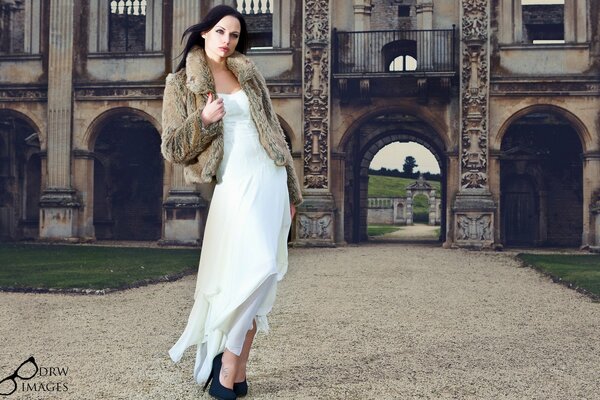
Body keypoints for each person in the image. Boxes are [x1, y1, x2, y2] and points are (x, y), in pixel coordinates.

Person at [161, 5, 303, 400]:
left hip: (270, 179)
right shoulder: (179, 83)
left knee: (264, 275)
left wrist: (292, 193)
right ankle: (225, 364)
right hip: (236, 183)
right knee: (256, 271)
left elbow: (275, 135)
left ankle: (236, 373)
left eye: (235, 35)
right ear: (205, 32)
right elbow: (172, 148)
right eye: (221, 32)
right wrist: (203, 120)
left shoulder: (249, 75)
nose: (227, 41)